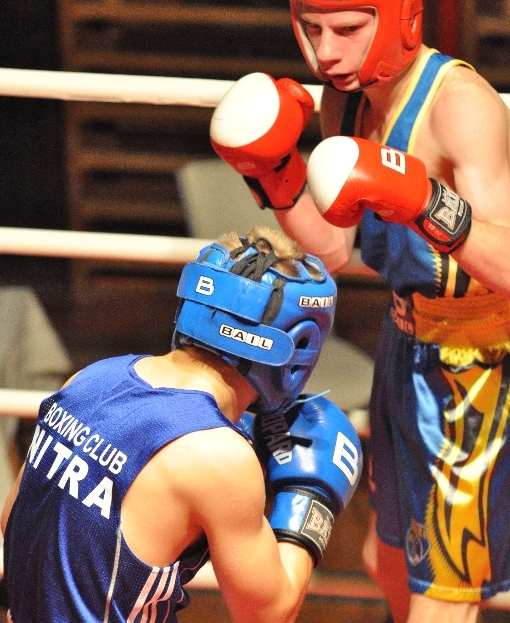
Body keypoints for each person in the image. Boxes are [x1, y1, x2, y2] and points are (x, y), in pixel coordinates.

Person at [209, 0, 510, 623]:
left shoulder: (459, 106)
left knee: (444, 599)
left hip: (477, 365)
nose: (328, 52)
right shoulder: (341, 104)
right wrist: (276, 174)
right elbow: (335, 247)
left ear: (402, 12)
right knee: (388, 561)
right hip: (403, 347)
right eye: (313, 28)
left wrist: (426, 201)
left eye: (348, 29)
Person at [1, 226, 362, 623]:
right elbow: (269, 613)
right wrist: (310, 499)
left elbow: (10, 518)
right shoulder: (218, 456)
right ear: (298, 344)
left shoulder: (90, 378)